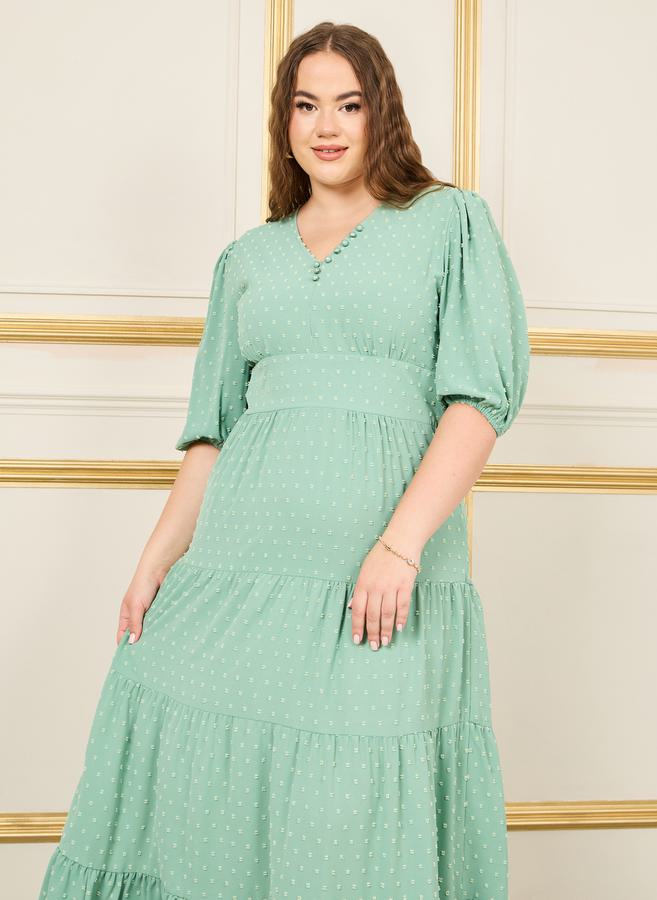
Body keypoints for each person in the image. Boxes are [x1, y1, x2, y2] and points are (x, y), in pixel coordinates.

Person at [39, 20, 529, 900]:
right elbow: (213, 434)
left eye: (349, 104)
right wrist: (153, 561)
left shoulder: (448, 222)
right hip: (238, 573)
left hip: (377, 576)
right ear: (284, 119)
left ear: (383, 114)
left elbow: (479, 403)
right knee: (210, 784)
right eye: (306, 106)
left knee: (352, 808)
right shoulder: (247, 258)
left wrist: (400, 547)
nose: (326, 126)